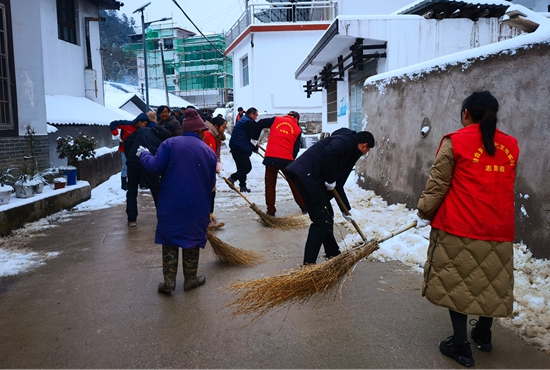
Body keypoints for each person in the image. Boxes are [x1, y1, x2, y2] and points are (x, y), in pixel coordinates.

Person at [417, 91, 520, 367]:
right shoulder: (512, 145)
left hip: (459, 225)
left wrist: (425, 212)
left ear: (466, 113)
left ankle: (460, 346)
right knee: (489, 282)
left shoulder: (456, 142)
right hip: (498, 228)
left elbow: (438, 184)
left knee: (457, 284)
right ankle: (483, 335)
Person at [139, 108, 217, 293]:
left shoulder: (170, 143)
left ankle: (169, 282)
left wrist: (144, 155)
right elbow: (211, 184)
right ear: (199, 131)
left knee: (170, 240)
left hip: (171, 201)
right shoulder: (208, 151)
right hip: (197, 205)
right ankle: (190, 279)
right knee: (191, 241)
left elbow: (155, 167)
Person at [285, 128, 375, 265]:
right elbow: (330, 153)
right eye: (367, 151)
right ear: (364, 146)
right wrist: (330, 178)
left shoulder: (351, 151)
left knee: (327, 214)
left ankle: (333, 252)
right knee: (321, 221)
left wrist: (346, 210)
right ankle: (308, 265)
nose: (364, 154)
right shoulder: (347, 141)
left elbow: (338, 185)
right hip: (307, 176)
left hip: (313, 178)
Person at [123, 113, 171, 227]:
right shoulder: (161, 137)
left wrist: (131, 155)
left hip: (133, 162)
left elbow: (127, 142)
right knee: (156, 190)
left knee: (132, 190)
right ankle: (162, 217)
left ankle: (131, 219)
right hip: (149, 162)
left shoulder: (139, 132)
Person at [261, 111, 306, 216]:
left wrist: (253, 139)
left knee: (270, 184)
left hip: (270, 158)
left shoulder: (276, 120)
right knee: (294, 183)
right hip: (286, 160)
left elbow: (261, 123)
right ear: (297, 118)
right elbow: (296, 149)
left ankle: (271, 211)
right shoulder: (297, 129)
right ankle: (304, 206)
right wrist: (291, 160)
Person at [227, 107, 260, 192]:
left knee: (241, 167)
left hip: (235, 146)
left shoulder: (243, 119)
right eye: (256, 115)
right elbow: (251, 137)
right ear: (251, 114)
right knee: (247, 167)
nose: (256, 117)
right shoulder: (249, 122)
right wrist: (255, 148)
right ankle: (232, 178)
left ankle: (243, 186)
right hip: (240, 147)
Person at [204, 116, 227, 230]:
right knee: (207, 194)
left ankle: (210, 217)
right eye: (223, 127)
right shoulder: (207, 135)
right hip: (203, 170)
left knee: (212, 193)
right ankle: (205, 219)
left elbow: (216, 156)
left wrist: (219, 169)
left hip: (211, 170)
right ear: (216, 126)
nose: (225, 129)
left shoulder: (218, 138)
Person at [109, 119, 135, 190]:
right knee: (125, 166)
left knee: (133, 167)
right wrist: (116, 133)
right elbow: (113, 123)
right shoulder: (127, 124)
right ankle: (124, 185)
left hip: (134, 149)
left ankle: (131, 182)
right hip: (124, 149)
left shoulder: (141, 127)